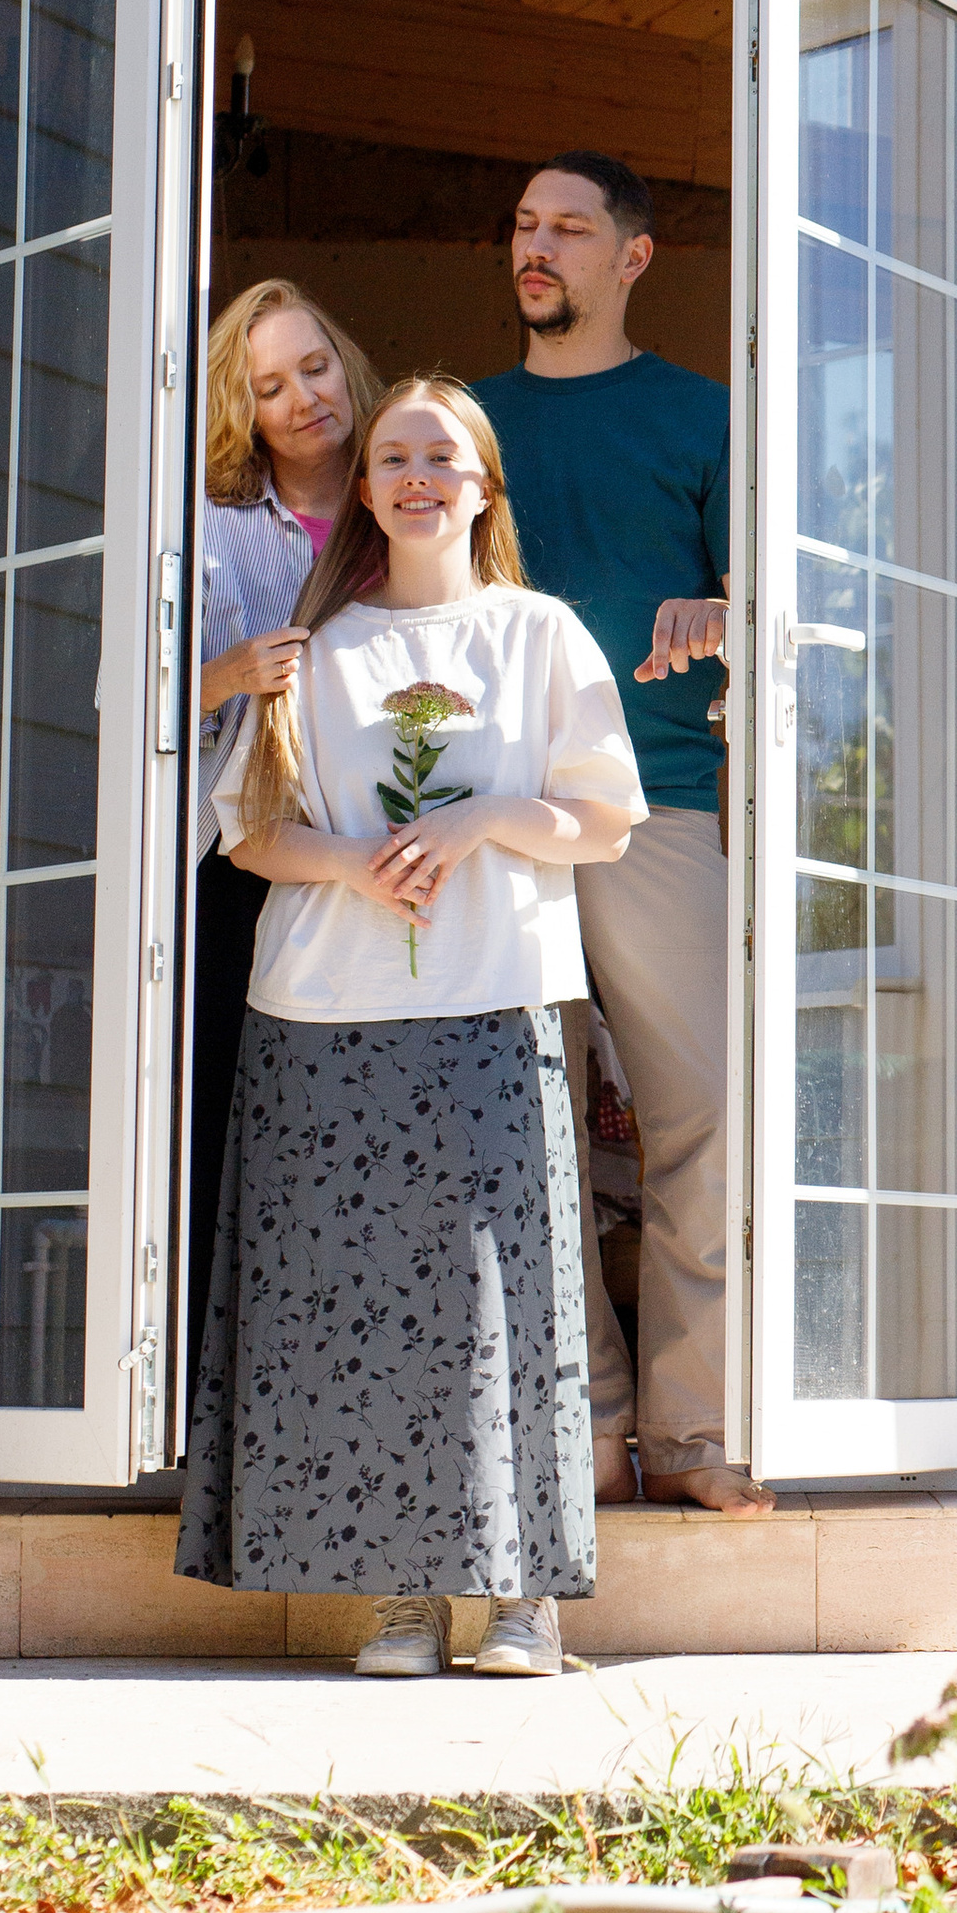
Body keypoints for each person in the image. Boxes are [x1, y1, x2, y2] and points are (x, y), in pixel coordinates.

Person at [175, 376, 642, 1678]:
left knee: (511, 1303)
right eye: (393, 456)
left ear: (484, 485)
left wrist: (478, 819)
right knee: (362, 1308)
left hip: (492, 1000)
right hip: (324, 1014)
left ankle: (522, 1606)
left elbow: (600, 819)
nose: (417, 473)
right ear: (369, 491)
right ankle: (393, 1602)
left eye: (443, 453)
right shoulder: (313, 651)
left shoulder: (540, 635)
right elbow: (252, 831)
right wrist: (357, 862)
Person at [473, 155, 769, 1516]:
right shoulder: (461, 427)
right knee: (527, 1136)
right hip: (502, 824)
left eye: (570, 229)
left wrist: (720, 612)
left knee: (706, 1121)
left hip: (664, 807)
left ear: (632, 258)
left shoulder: (706, 417)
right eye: (527, 227)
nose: (539, 248)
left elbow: (784, 605)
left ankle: (695, 1433)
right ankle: (584, 1437)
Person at [188, 281, 382, 1413]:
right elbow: (136, 696)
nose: (303, 397)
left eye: (313, 366)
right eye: (270, 386)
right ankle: (232, 1401)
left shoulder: (412, 492)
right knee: (237, 1125)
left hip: (393, 861)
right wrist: (230, 674)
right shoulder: (211, 534)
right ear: (245, 413)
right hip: (245, 865)